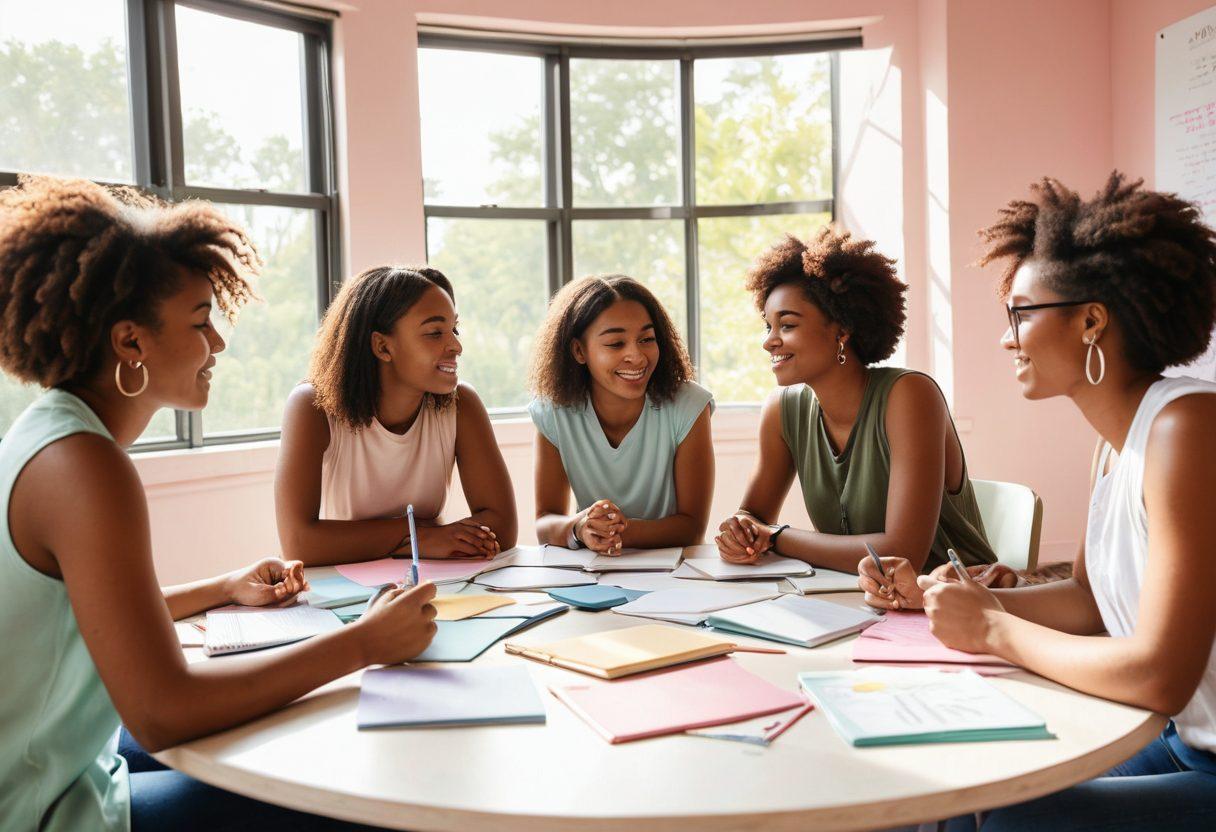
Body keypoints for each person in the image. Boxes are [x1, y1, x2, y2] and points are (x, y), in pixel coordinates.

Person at [0, 176, 436, 831]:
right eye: (202, 321)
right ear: (129, 343)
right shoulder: (85, 467)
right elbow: (161, 711)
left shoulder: (49, 432)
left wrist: (223, 586)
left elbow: (82, 621)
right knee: (335, 798)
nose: (219, 345)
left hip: (58, 766)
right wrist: (364, 643)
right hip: (42, 810)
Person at [860, 173, 1216, 829]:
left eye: (1020, 313)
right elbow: (1089, 603)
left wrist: (994, 630)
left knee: (1012, 818)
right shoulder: (1116, 444)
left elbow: (1161, 675)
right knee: (959, 779)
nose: (1006, 338)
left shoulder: (1185, 429)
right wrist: (955, 602)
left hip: (1202, 755)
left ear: (1090, 320)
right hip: (1181, 742)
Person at [715, 227, 997, 577]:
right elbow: (751, 517)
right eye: (767, 326)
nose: (769, 342)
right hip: (856, 596)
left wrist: (774, 538)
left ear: (842, 330)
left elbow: (903, 552)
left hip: (956, 601)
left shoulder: (910, 396)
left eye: (786, 325)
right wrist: (739, 533)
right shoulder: (782, 410)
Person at [275, 266, 516, 565]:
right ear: (382, 346)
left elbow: (503, 526)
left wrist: (408, 542)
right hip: (347, 587)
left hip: (434, 578)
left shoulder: (461, 404)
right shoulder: (312, 407)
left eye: (454, 329)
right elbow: (299, 544)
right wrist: (419, 536)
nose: (456, 346)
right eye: (434, 333)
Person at [528, 275, 714, 554]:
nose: (637, 356)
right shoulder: (553, 412)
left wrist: (615, 530)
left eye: (647, 339)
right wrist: (580, 529)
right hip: (590, 572)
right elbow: (545, 522)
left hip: (672, 576)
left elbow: (691, 528)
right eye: (616, 344)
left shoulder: (689, 405)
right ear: (579, 350)